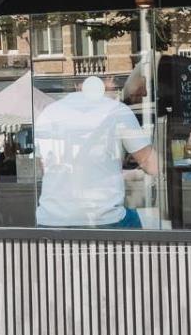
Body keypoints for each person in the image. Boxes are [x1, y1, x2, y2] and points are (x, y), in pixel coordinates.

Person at [35, 76, 156, 228]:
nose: (114, 84)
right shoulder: (116, 110)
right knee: (149, 224)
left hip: (50, 220)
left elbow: (45, 166)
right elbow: (152, 165)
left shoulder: (48, 113)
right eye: (110, 80)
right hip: (104, 220)